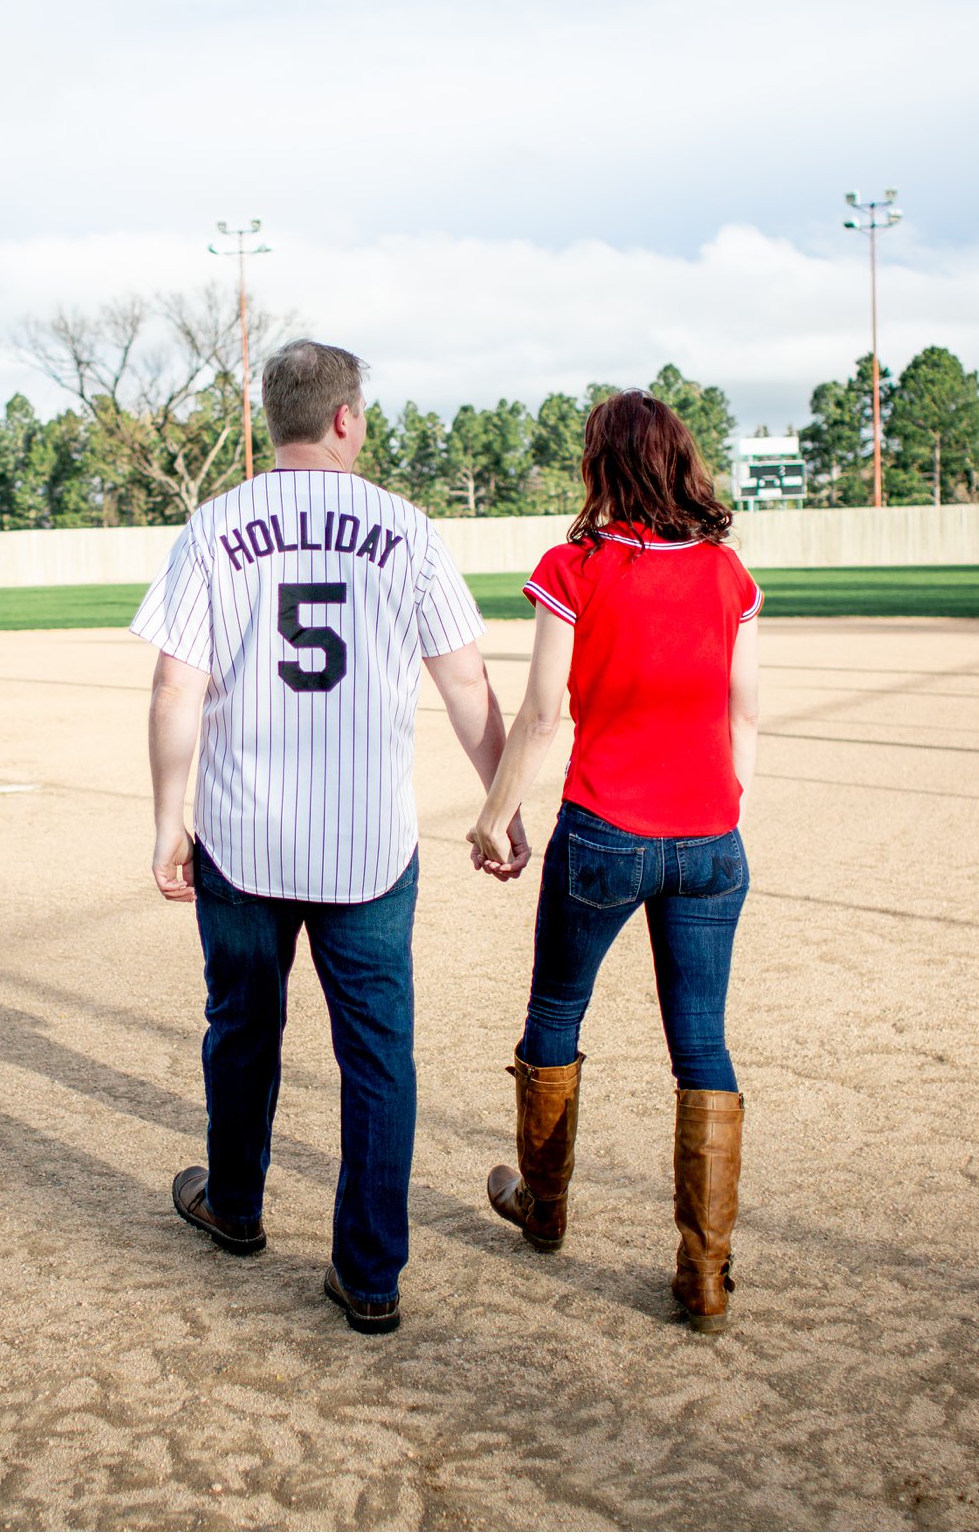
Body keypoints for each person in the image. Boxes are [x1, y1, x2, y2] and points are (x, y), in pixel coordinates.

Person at [134, 339, 525, 1335]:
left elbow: (175, 687)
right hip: (364, 847)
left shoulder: (213, 525)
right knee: (377, 1060)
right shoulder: (406, 528)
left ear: (275, 418)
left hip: (242, 839)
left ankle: (234, 1205)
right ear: (345, 418)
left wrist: (166, 818)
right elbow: (468, 687)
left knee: (242, 1032)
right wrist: (502, 802)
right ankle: (368, 1276)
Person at [466, 389, 761, 1332]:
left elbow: (545, 712)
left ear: (601, 467)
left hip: (604, 830)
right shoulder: (725, 571)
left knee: (556, 1009)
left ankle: (544, 1212)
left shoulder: (574, 566)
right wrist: (723, 807)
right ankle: (704, 1271)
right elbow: (742, 713)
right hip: (712, 838)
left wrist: (493, 816)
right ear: (680, 461)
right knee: (701, 1043)